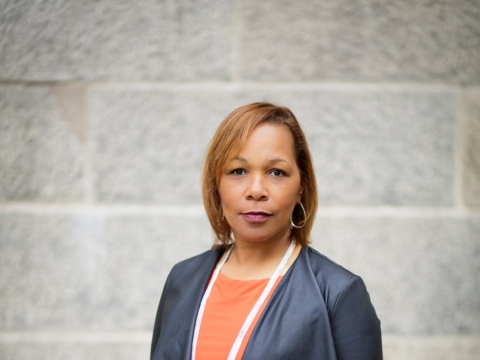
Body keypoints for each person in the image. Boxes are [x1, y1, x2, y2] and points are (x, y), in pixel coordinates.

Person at [150, 103, 383, 360]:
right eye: (238, 171)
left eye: (276, 172)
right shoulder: (182, 279)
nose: (256, 190)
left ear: (301, 187)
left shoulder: (339, 293)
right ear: (217, 185)